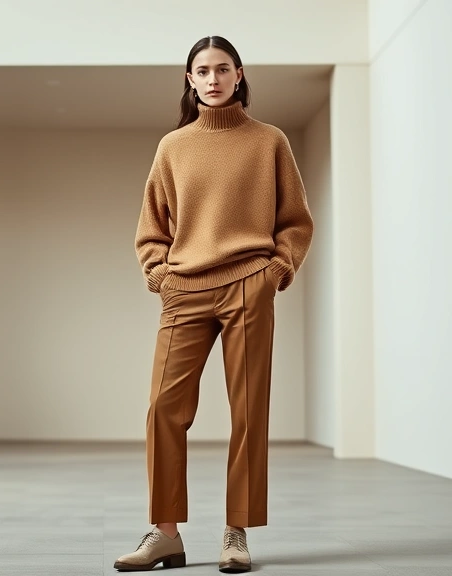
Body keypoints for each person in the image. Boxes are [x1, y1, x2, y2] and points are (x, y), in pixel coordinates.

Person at [114, 36, 313, 573]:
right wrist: (159, 274)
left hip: (250, 281)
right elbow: (151, 225)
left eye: (222, 68)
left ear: (239, 74)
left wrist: (277, 269)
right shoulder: (173, 146)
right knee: (163, 409)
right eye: (202, 70)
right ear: (190, 79)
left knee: (248, 410)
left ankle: (236, 532)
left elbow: (295, 220)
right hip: (185, 288)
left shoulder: (269, 141)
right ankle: (165, 534)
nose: (213, 78)